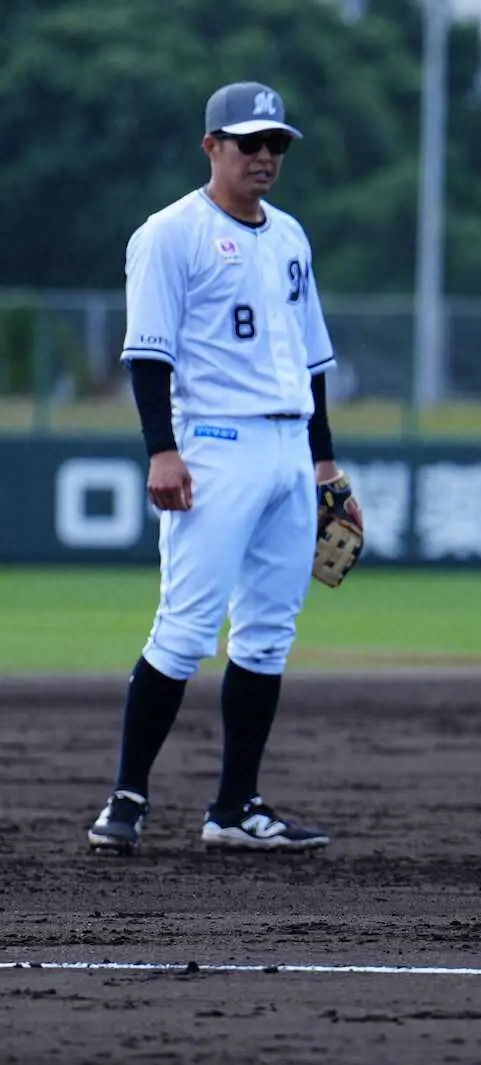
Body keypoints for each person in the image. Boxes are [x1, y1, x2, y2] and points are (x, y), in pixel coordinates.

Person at [87, 81, 362, 855]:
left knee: (269, 635)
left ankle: (235, 806)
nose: (266, 156)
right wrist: (161, 450)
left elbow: (313, 363)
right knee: (184, 629)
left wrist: (324, 463)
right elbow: (148, 354)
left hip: (286, 448)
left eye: (277, 143)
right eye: (250, 143)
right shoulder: (170, 234)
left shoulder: (291, 237)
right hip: (212, 445)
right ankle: (127, 798)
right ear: (212, 146)